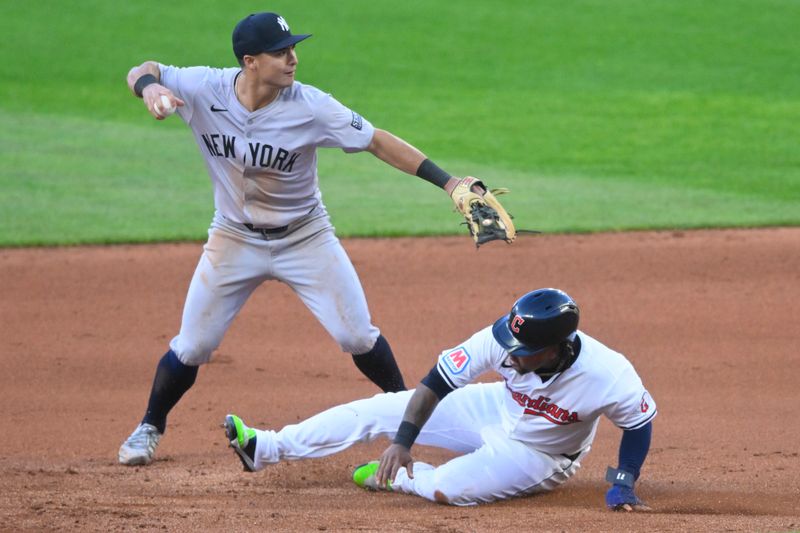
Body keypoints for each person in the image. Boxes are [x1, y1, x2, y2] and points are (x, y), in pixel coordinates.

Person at [117, 12, 510, 466]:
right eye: (281, 52)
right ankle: (150, 426)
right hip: (233, 239)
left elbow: (377, 141)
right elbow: (143, 70)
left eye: (293, 48)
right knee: (194, 345)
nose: (293, 59)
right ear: (250, 62)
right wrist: (150, 88)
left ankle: (408, 415)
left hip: (306, 236)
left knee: (357, 335)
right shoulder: (204, 87)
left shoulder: (311, 105)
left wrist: (448, 182)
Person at [223, 288, 657, 509]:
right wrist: (404, 439)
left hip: (539, 456)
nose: (510, 355)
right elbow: (437, 381)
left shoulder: (607, 373)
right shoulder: (502, 338)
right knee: (380, 410)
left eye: (523, 353)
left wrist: (625, 481)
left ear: (557, 348)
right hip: (494, 407)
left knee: (449, 488)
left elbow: (638, 423)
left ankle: (396, 478)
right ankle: (267, 447)